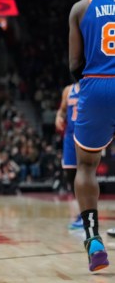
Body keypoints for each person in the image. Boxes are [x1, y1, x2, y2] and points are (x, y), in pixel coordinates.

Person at [68, 0, 115, 272]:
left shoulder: (82, 7)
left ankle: (93, 238)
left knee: (86, 165)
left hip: (97, 84)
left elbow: (75, 64)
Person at [54, 83, 82, 230]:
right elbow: (62, 111)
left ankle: (86, 215)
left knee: (84, 175)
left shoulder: (92, 86)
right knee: (71, 175)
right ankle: (83, 213)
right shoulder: (68, 90)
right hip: (70, 137)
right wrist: (59, 117)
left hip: (87, 136)